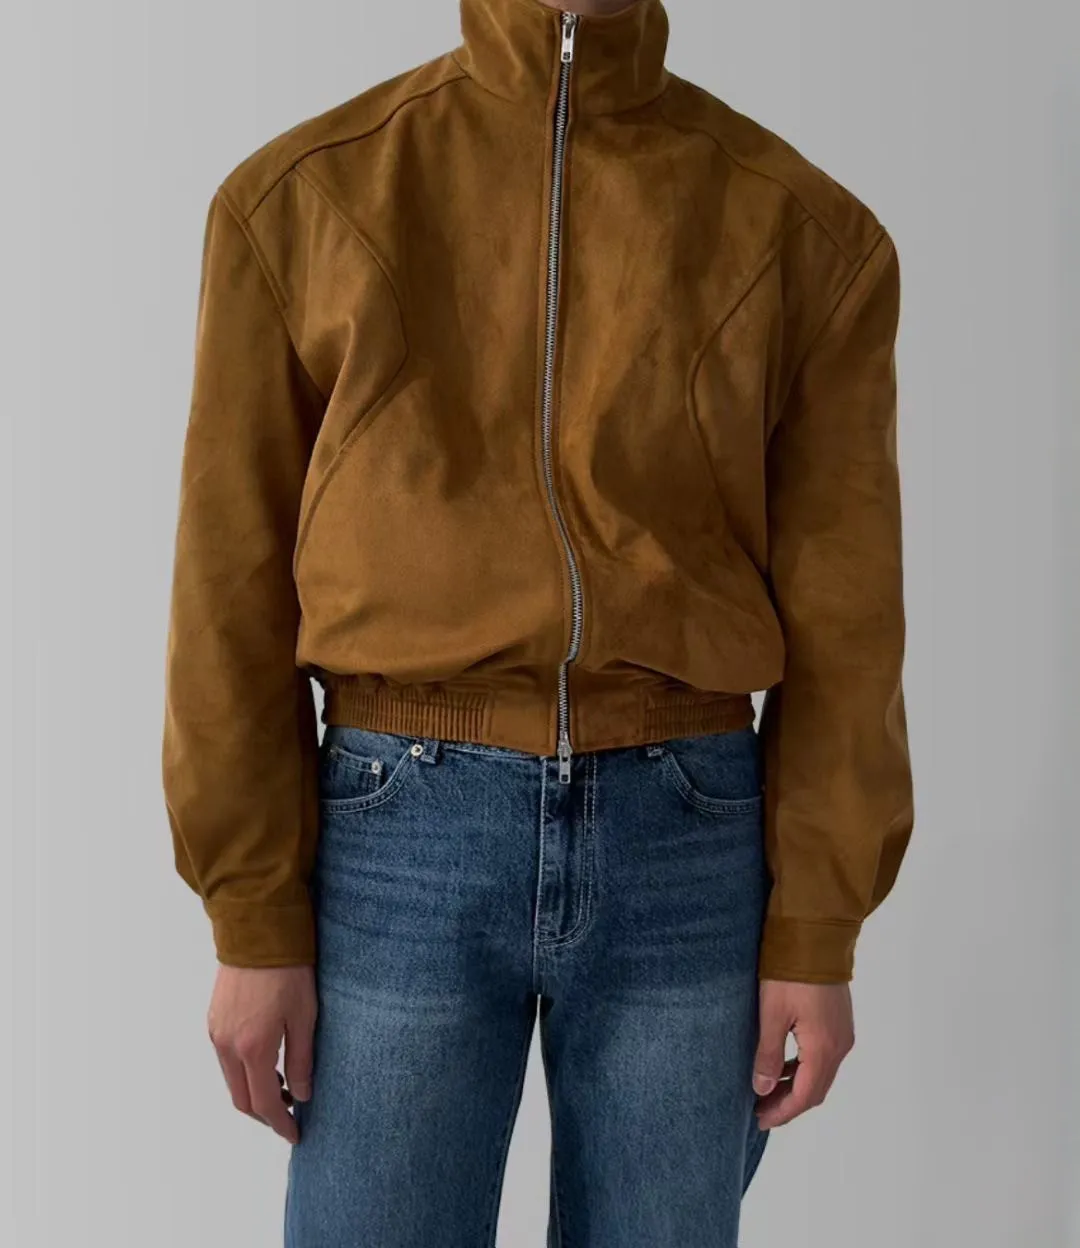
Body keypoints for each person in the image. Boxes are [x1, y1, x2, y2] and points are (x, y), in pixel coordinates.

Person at [161, 0, 914, 1242]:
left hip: (688, 835)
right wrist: (252, 916)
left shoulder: (805, 233)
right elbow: (226, 588)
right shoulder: (299, 203)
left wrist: (818, 927)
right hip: (398, 831)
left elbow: (850, 624)